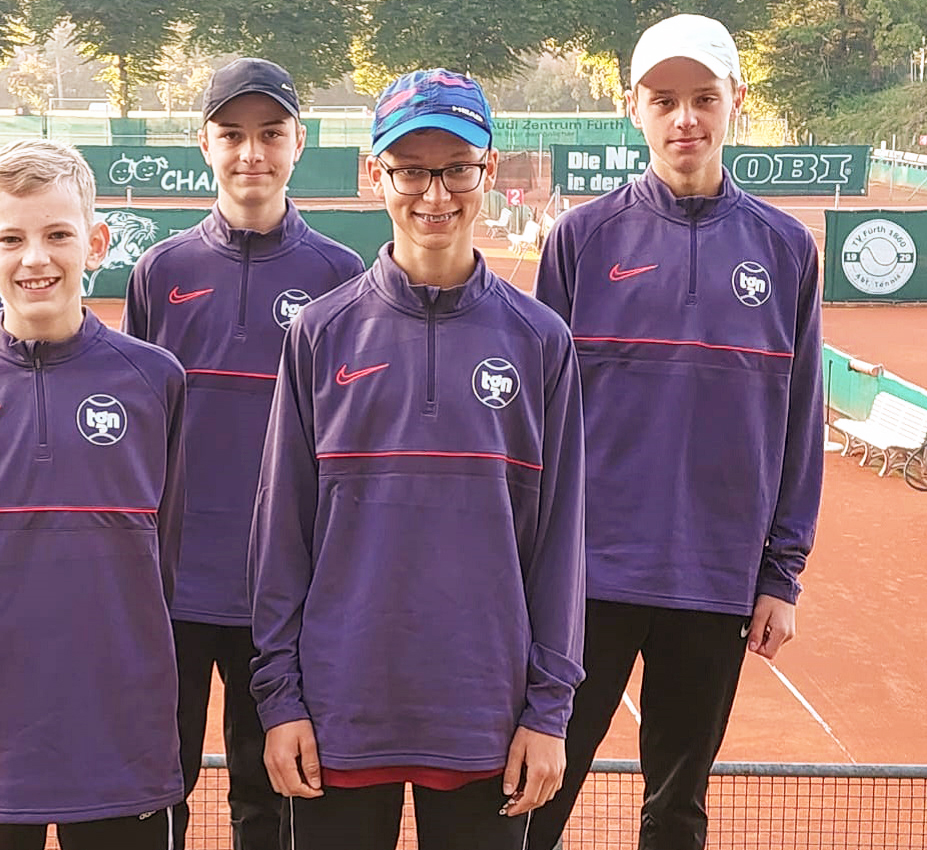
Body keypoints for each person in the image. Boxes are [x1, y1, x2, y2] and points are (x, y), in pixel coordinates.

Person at [248, 68, 586, 850]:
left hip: (484, 716)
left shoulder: (540, 342)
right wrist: (280, 701)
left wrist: (547, 710)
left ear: (487, 173)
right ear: (377, 175)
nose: (433, 195)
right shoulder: (319, 335)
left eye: (455, 169)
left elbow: (560, 540)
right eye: (409, 170)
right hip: (340, 712)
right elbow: (282, 535)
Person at [527, 14, 824, 849]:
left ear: (736, 100)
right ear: (633, 108)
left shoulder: (786, 248)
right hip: (586, 580)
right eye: (664, 99)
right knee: (533, 794)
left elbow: (797, 420)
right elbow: (539, 421)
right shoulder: (579, 240)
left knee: (676, 812)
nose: (684, 118)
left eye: (702, 97)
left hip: (715, 581)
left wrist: (782, 573)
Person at [0, 139, 186, 849]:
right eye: (12, 238)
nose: (36, 259)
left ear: (95, 242)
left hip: (122, 743)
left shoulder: (155, 382)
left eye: (58, 235)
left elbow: (165, 562)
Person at [122, 57, 364, 850]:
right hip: (176, 592)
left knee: (271, 800)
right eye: (232, 134)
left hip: (282, 599)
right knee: (159, 789)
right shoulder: (161, 272)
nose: (250, 153)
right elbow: (139, 428)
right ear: (205, 144)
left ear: (300, 142)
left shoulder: (339, 276)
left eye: (269, 134)